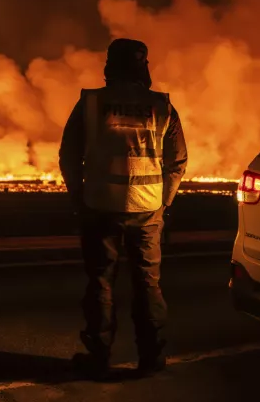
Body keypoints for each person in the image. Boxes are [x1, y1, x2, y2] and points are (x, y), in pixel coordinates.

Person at [59, 38, 188, 379]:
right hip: (148, 211)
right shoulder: (161, 106)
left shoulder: (91, 102)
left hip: (100, 207)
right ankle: (151, 357)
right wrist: (164, 201)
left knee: (101, 282)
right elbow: (178, 161)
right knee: (148, 284)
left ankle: (98, 356)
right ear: (143, 67)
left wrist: (78, 198)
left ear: (109, 66)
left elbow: (68, 155)